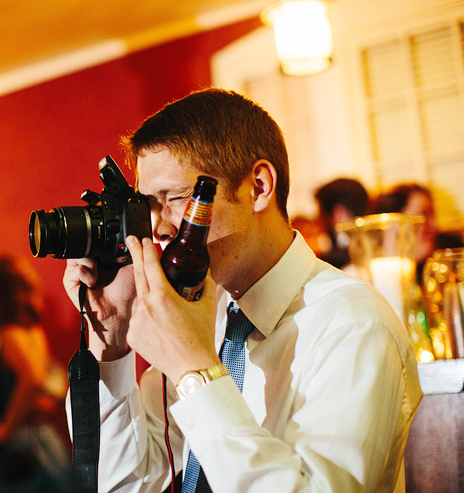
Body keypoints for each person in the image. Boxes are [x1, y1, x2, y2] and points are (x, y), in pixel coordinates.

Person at [63, 88, 422, 492]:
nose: (161, 227)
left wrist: (195, 369)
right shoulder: (204, 314)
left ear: (258, 186)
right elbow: (125, 483)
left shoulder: (352, 324)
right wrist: (110, 344)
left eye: (177, 198)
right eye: (151, 205)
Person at [0, 255, 74, 493]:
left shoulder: (9, 336)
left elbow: (33, 380)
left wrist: (5, 431)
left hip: (20, 448)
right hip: (42, 440)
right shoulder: (34, 332)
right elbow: (53, 384)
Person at [372, 183, 464, 281]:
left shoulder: (449, 264)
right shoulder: (371, 277)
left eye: (432, 215)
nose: (434, 226)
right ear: (392, 223)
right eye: (423, 215)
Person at [314, 177, 370, 268]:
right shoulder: (379, 252)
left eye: (321, 213)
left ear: (339, 214)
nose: (317, 219)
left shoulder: (330, 266)